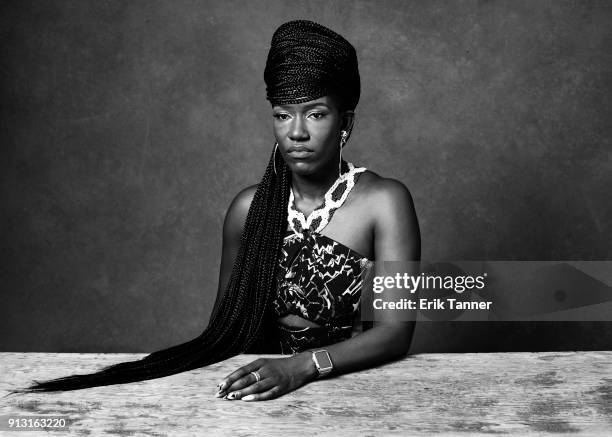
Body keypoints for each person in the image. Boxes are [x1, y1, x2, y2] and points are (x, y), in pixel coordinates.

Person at [11, 19, 420, 401]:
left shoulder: (384, 201)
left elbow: (396, 333)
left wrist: (302, 368)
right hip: (263, 391)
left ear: (345, 121)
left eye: (315, 114)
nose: (296, 132)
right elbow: (226, 328)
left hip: (358, 390)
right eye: (282, 115)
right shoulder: (249, 209)